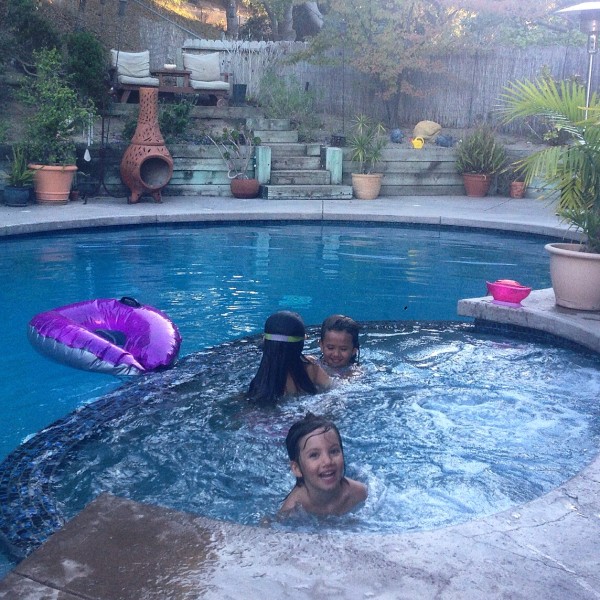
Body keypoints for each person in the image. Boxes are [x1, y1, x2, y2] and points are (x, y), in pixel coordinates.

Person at [279, 413, 367, 517]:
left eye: (334, 451)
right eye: (314, 455)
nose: (328, 461)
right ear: (297, 468)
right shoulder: (291, 510)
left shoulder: (359, 493)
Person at [248, 311, 331, 406]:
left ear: (265, 341)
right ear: (302, 343)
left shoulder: (259, 383)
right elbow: (334, 390)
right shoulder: (311, 367)